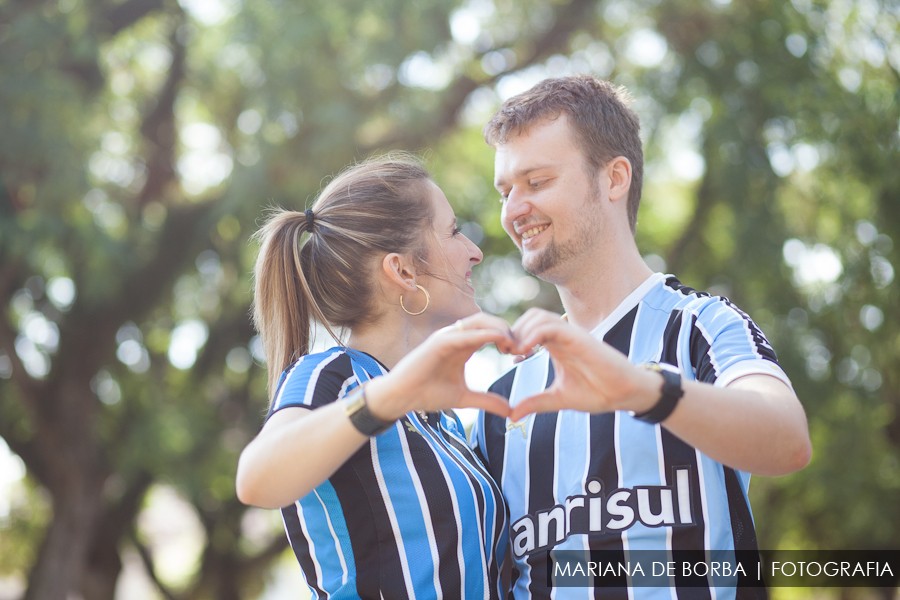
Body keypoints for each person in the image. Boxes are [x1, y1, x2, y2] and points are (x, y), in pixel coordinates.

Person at [469, 75, 812, 598]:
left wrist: (643, 390)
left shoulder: (702, 326)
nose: (514, 210)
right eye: (506, 190)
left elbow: (787, 441)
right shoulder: (500, 403)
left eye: (536, 183)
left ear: (614, 179)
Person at [235, 155, 514, 598]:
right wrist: (392, 395)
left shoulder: (443, 420)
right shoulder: (333, 376)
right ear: (402, 270)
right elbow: (256, 478)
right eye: (454, 231)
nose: (474, 251)